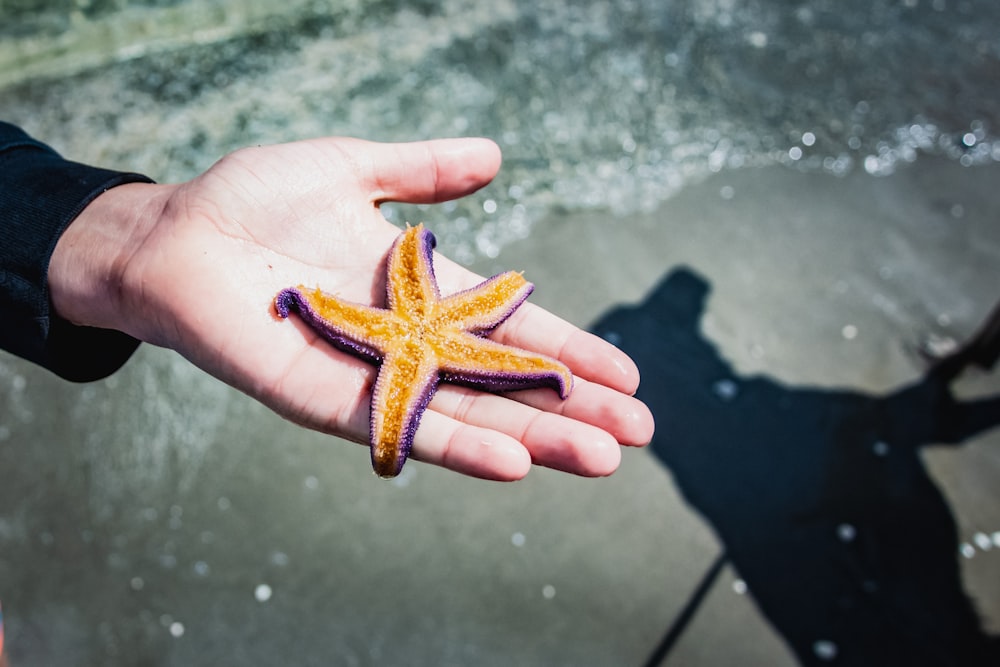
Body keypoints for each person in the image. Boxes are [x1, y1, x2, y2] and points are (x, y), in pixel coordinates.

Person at [0, 122, 654, 481]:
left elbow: (426, 265)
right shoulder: (421, 318)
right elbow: (402, 269)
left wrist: (131, 245)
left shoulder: (428, 315)